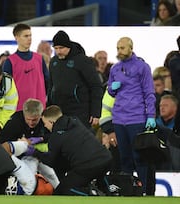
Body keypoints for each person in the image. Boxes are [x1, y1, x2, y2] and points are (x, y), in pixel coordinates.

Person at [107, 37, 156, 194]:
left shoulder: (142, 67)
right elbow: (110, 90)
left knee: (140, 157)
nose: (119, 51)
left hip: (137, 118)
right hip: (119, 119)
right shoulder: (115, 69)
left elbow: (149, 92)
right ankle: (128, 191)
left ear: (130, 48)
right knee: (124, 157)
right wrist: (112, 88)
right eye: (117, 48)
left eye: (122, 48)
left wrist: (151, 115)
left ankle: (145, 191)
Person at [32, 105, 112, 195]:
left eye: (45, 123)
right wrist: (42, 138)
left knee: (62, 190)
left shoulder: (56, 137)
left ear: (51, 122)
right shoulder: (75, 122)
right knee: (99, 176)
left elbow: (51, 161)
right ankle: (109, 193)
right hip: (105, 158)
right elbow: (65, 135)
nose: (45, 126)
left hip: (88, 166)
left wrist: (34, 152)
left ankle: (92, 194)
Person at [0, 98, 59, 189]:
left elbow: (55, 135)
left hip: (39, 154)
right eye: (28, 119)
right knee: (30, 177)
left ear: (41, 116)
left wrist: (40, 139)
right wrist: (18, 141)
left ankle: (60, 191)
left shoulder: (45, 121)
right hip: (19, 156)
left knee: (51, 174)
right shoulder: (14, 122)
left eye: (34, 120)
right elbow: (2, 142)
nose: (31, 122)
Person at [48, 30, 103, 129]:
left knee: (80, 142)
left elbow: (96, 86)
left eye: (61, 48)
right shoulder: (53, 62)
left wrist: (96, 113)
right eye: (56, 48)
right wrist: (49, 108)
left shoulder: (83, 61)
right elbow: (51, 87)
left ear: (68, 46)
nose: (58, 51)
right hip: (59, 112)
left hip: (80, 112)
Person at [3, 23, 49, 111]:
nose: (29, 39)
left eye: (30, 35)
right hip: (18, 109)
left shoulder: (39, 59)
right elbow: (5, 87)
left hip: (39, 109)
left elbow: (47, 82)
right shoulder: (10, 61)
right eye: (26, 36)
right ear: (17, 38)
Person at [156, 94, 180, 170]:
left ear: (175, 108)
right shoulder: (155, 124)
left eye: (165, 105)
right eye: (160, 106)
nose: (162, 108)